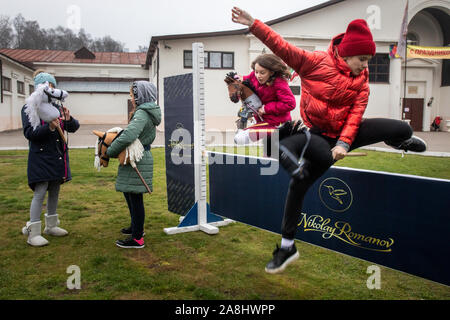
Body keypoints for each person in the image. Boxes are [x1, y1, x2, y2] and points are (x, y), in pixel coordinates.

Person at [232, 7, 427, 274]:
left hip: (346, 133)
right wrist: (253, 24)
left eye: (369, 60)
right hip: (318, 135)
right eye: (362, 59)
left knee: (401, 128)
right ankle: (287, 247)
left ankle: (400, 141)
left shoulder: (362, 82)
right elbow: (282, 47)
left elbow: (356, 114)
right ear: (346, 54)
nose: (366, 65)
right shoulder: (314, 62)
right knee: (298, 185)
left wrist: (344, 143)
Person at [21, 70, 80, 247]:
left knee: (55, 189)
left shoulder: (56, 106)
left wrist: (69, 120)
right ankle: (33, 232)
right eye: (47, 86)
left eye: (53, 86)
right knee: (40, 192)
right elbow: (29, 133)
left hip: (57, 156)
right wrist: (50, 128)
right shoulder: (29, 107)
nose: (50, 89)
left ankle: (51, 226)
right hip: (40, 157)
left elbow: (73, 127)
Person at [107, 81, 161, 249]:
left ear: (140, 95)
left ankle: (137, 239)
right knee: (130, 194)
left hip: (137, 159)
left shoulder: (142, 114)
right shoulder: (143, 112)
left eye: (132, 95)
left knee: (135, 198)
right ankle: (136, 227)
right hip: (136, 157)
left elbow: (129, 135)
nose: (131, 98)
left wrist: (110, 151)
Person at [233, 53, 296, 149]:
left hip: (277, 125)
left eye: (262, 73)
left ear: (271, 72)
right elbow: (247, 79)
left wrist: (266, 109)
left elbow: (290, 103)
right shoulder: (254, 76)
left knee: (241, 138)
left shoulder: (279, 83)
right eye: (256, 72)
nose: (258, 76)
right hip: (263, 121)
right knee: (240, 139)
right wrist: (239, 79)